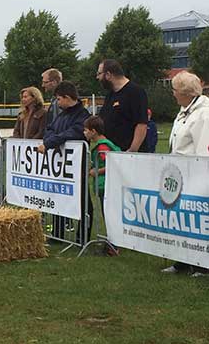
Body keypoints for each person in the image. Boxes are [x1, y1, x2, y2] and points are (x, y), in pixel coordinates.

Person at [161, 71, 209, 277]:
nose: (173, 94)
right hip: (178, 173)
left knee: (199, 220)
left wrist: (200, 176)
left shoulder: (203, 114)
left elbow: (202, 148)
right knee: (181, 219)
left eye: (175, 90)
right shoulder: (184, 111)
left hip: (194, 174)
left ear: (186, 92)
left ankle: (203, 265)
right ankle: (182, 260)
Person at [39, 81, 92, 243]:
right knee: (59, 199)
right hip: (60, 166)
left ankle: (82, 237)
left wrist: (50, 142)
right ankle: (58, 234)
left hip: (77, 166)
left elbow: (74, 133)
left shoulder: (83, 116)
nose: (57, 103)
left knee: (84, 202)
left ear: (68, 98)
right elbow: (50, 129)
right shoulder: (62, 115)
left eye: (59, 99)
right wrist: (50, 140)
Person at [83, 115, 121, 255]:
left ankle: (113, 246)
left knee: (109, 215)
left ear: (93, 131)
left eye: (86, 130)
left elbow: (111, 163)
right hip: (102, 184)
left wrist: (96, 171)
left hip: (105, 184)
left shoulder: (103, 146)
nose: (84, 133)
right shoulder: (101, 145)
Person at [97, 59, 148, 152]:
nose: (97, 77)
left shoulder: (135, 92)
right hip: (112, 153)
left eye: (99, 73)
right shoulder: (110, 95)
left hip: (129, 155)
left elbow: (141, 124)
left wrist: (132, 150)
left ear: (108, 75)